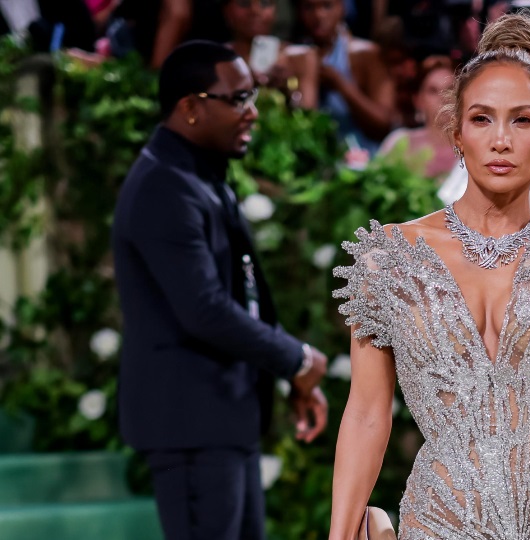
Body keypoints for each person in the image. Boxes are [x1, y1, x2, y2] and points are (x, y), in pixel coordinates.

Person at [329, 12, 530, 540]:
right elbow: (365, 415)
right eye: (481, 119)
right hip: (446, 518)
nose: (500, 140)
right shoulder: (390, 258)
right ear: (455, 132)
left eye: (521, 120)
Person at [112, 41, 328, 539]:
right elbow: (204, 309)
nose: (252, 113)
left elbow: (243, 291)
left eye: (252, 97)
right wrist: (295, 359)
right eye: (237, 100)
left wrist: (289, 370)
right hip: (191, 424)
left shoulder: (198, 175)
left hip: (223, 420)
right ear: (190, 107)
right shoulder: (163, 186)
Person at [296, 0, 396, 153]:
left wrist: (340, 84)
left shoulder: (366, 54)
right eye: (309, 7)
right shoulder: (293, 56)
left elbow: (384, 124)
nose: (318, 15)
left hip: (363, 162)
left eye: (327, 6)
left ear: (342, 8)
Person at [222, 0, 320, 110]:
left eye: (265, 3)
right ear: (227, 10)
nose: (255, 11)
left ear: (276, 10)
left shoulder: (302, 56)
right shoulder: (217, 58)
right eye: (244, 3)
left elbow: (309, 117)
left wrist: (289, 90)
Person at [378, 55, 457, 181]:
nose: (443, 98)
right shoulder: (399, 143)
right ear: (418, 101)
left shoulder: (476, 146)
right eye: (433, 91)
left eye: (450, 89)